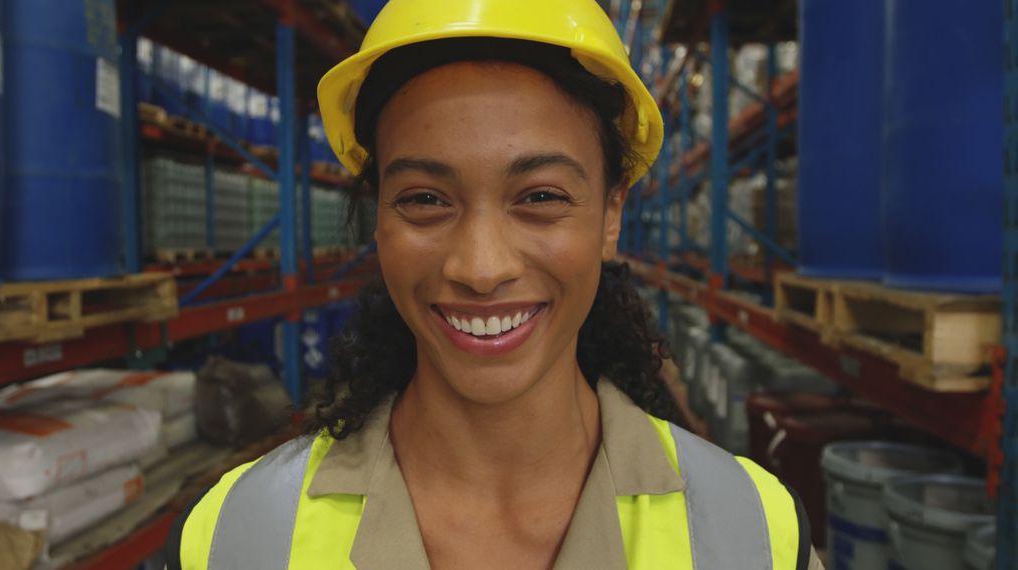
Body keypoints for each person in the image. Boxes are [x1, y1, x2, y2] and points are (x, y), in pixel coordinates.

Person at [167, 0, 823, 568]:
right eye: (425, 199)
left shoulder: (756, 537)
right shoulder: (233, 539)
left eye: (540, 195)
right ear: (379, 222)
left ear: (611, 215)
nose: (480, 269)